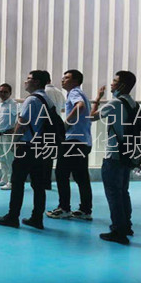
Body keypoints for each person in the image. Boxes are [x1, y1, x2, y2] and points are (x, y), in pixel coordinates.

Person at [0, 70, 55, 230]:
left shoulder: (31, 100)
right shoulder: (47, 100)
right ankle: (37, 218)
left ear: (36, 82)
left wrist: (14, 143)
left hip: (27, 146)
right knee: (38, 185)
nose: (25, 81)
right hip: (41, 145)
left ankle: (12, 216)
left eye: (28, 79)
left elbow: (22, 124)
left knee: (17, 182)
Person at [90, 70, 138, 245]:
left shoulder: (115, 103)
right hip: (127, 154)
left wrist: (97, 98)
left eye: (114, 81)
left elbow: (91, 117)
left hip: (114, 154)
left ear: (122, 85)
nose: (111, 83)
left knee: (113, 194)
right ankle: (126, 226)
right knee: (123, 191)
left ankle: (118, 231)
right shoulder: (133, 103)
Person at [47, 70, 93, 220]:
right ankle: (85, 210)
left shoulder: (74, 93)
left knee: (62, 173)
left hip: (73, 141)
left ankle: (64, 208)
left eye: (66, 78)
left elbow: (80, 107)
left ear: (75, 81)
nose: (63, 80)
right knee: (81, 177)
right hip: (84, 141)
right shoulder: (82, 94)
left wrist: (65, 124)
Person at [41, 71, 66, 191]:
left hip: (45, 127)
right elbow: (62, 109)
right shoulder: (59, 92)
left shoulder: (43, 93)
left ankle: (43, 181)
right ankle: (47, 181)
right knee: (50, 155)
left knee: (43, 155)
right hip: (57, 127)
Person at [0, 83, 18, 190]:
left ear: (10, 93)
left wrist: (14, 130)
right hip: (0, 134)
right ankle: (4, 179)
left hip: (8, 135)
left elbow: (19, 117)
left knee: (9, 159)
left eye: (5, 92)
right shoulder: (1, 104)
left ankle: (12, 182)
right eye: (1, 92)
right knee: (2, 158)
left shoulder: (12, 104)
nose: (2, 94)